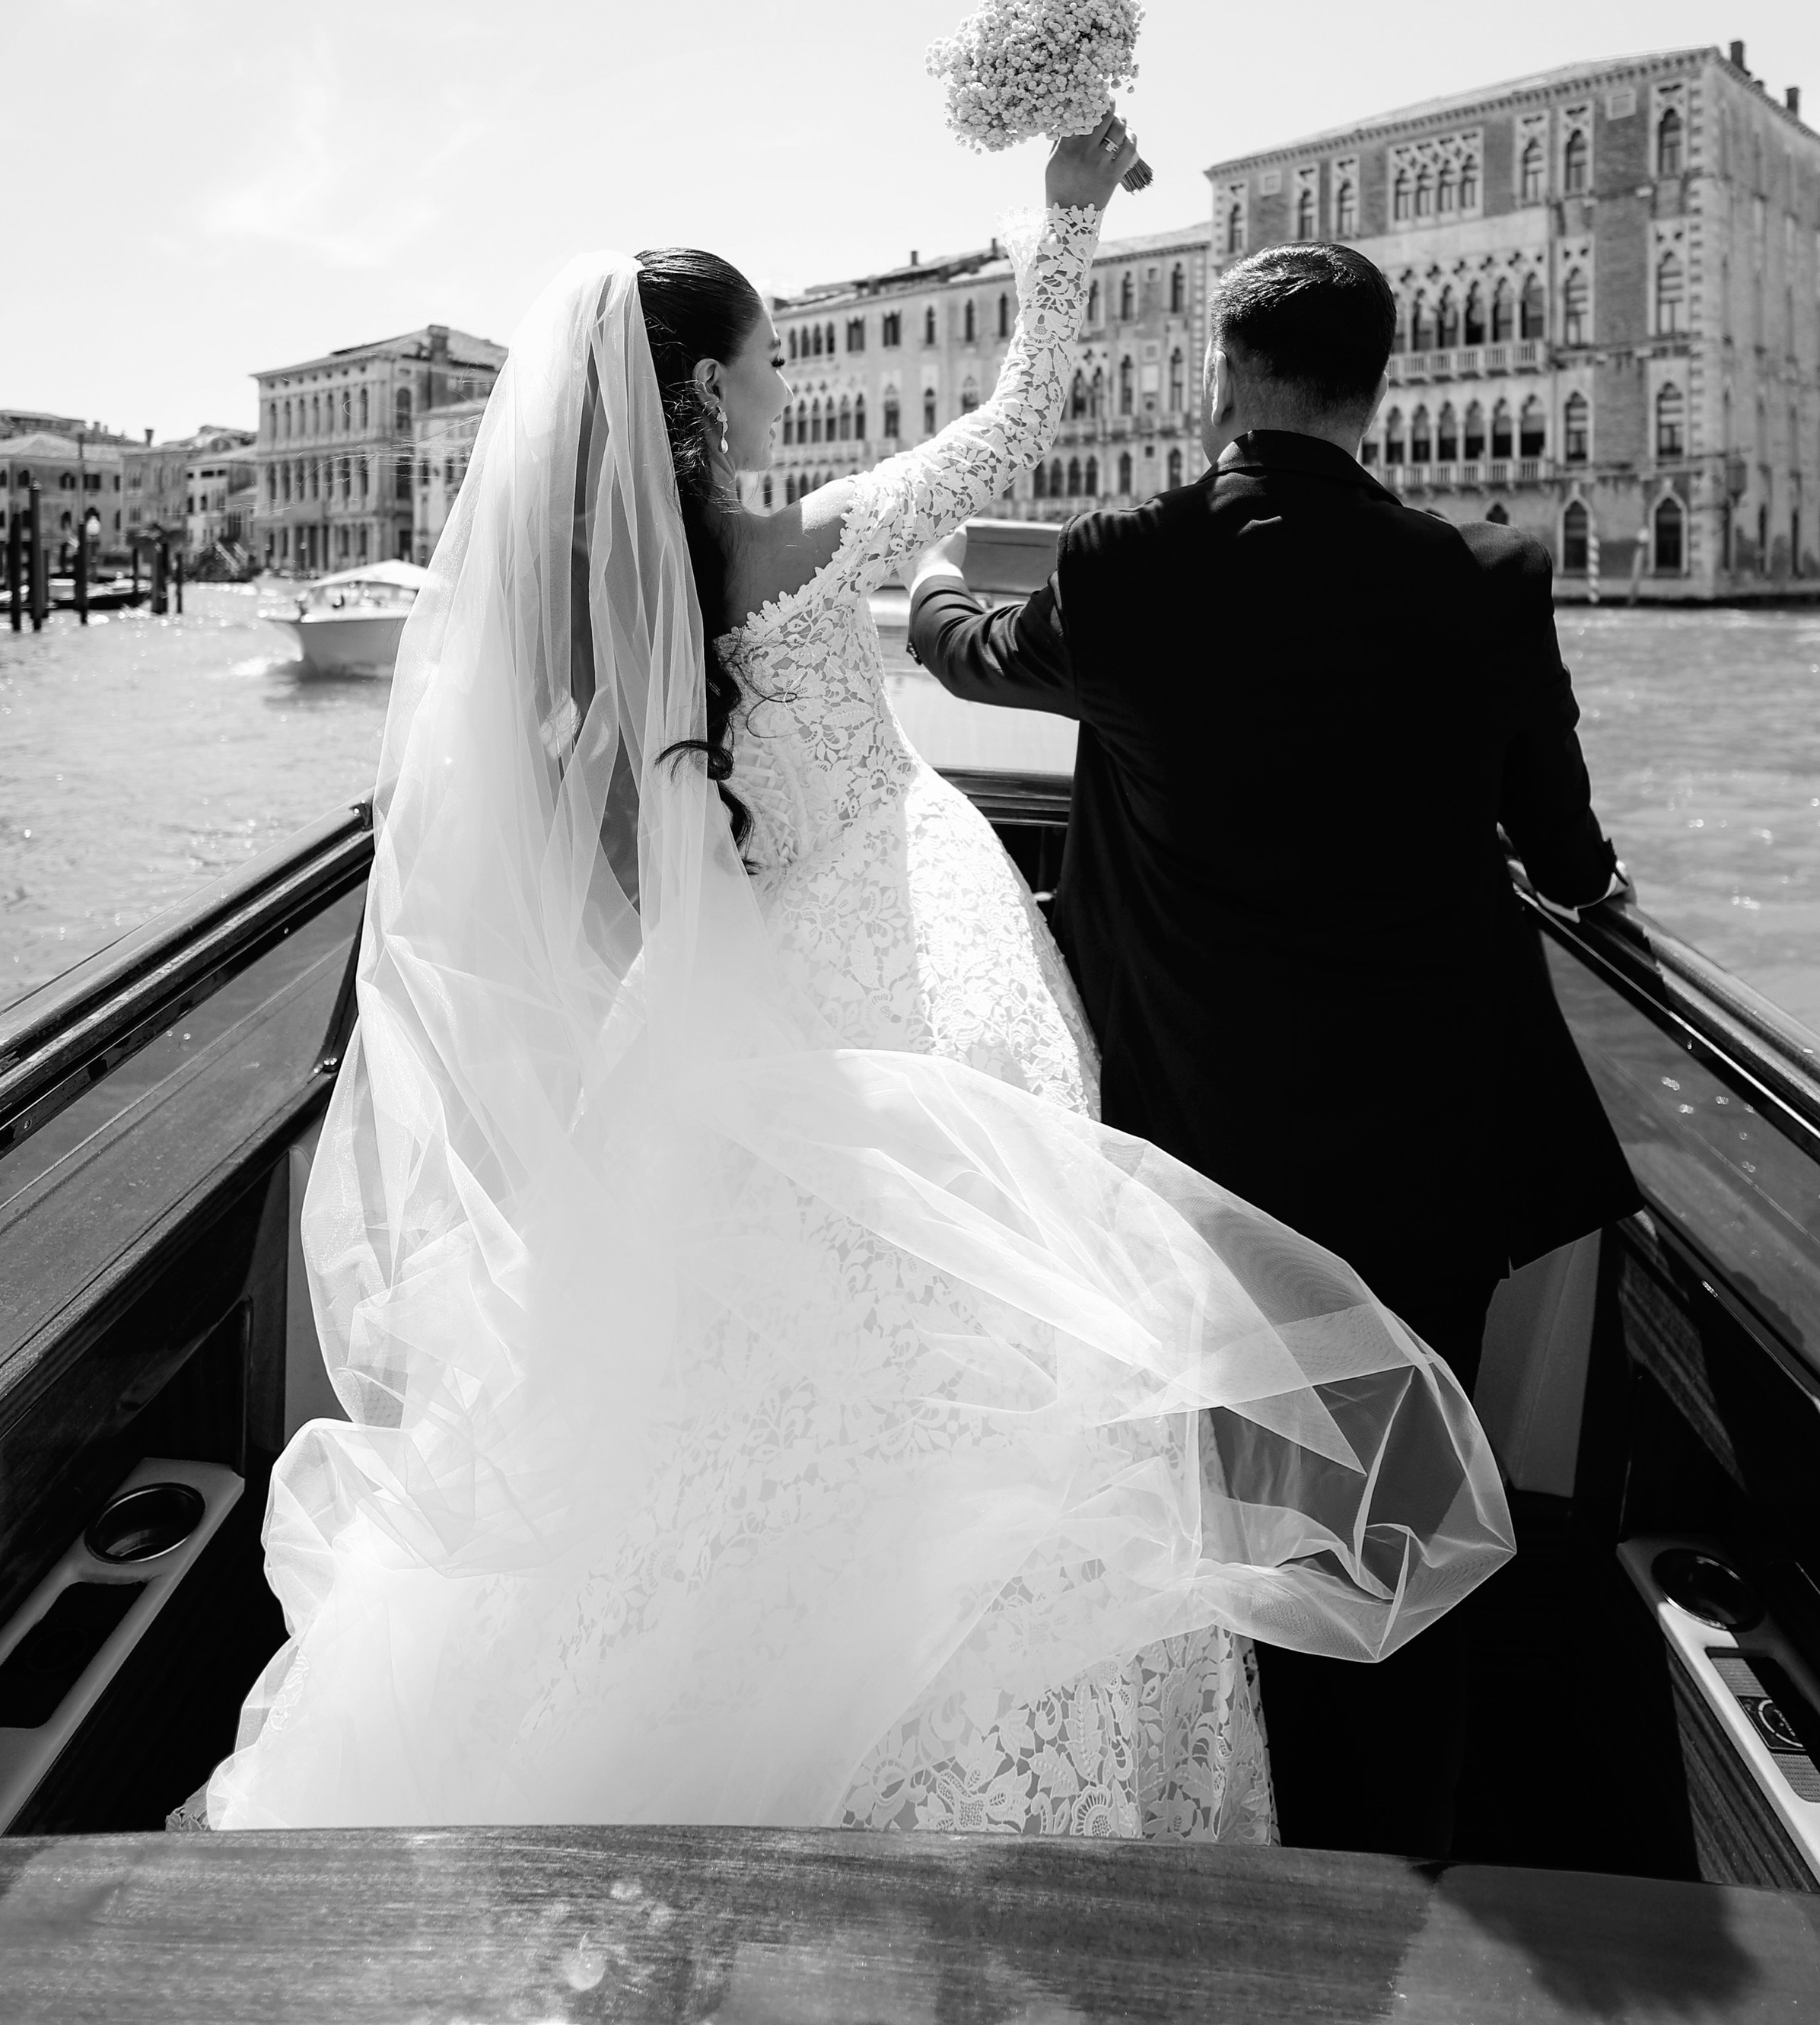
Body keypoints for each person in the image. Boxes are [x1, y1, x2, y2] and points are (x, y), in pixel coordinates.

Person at [203, 150, 1511, 1834]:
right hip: (917, 971)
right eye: (766, 366)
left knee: (717, 1412)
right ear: (703, 393)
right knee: (1003, 1349)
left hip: (728, 1004)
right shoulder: (806, 550)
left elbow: (602, 867)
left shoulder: (605, 611)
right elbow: (1019, 417)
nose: (785, 389)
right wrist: (1064, 208)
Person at [905, 237, 1641, 1859]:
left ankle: (1234, 1793)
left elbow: (960, 651)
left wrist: (938, 581)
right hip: (1430, 1127)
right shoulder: (1486, 576)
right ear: (1381, 390)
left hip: (1199, 1132)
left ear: (1215, 378)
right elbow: (1561, 836)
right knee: (1403, 1485)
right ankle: (1392, 1828)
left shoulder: (1127, 568)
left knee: (1214, 1465)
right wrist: (1597, 894)